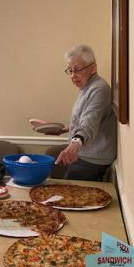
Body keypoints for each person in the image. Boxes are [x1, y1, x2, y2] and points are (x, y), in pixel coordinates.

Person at [53, 44, 117, 181]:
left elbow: (90, 121)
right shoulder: (87, 87)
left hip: (92, 161)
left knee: (68, 199)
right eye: (69, 70)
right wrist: (66, 129)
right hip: (86, 157)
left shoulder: (99, 89)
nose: (73, 76)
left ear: (93, 67)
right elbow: (89, 118)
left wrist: (75, 143)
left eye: (77, 70)